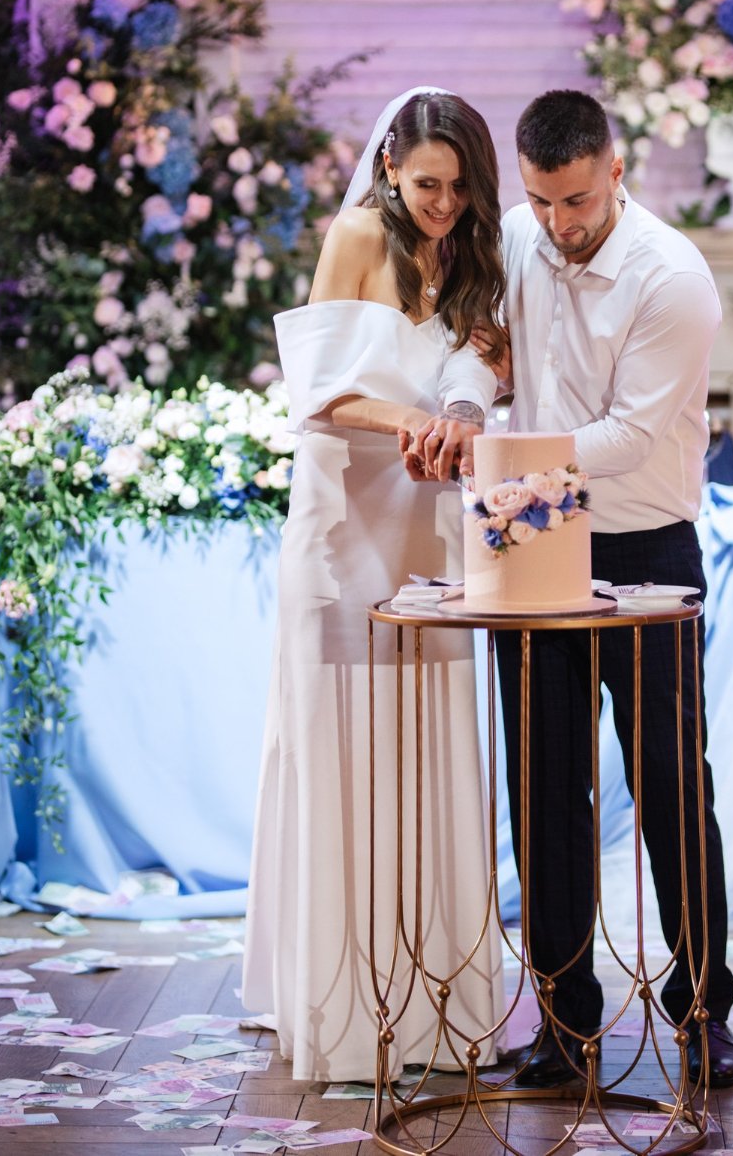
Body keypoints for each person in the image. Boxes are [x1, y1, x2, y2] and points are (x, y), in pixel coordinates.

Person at [242, 88, 508, 1082]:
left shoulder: (475, 251)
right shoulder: (358, 233)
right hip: (344, 524)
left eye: (459, 188)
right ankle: (345, 1010)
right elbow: (315, 393)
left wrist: (461, 413)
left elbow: (486, 365)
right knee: (344, 741)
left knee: (426, 740)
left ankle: (438, 1001)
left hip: (428, 522)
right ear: (392, 168)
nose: (442, 205)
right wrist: (411, 425)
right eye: (427, 185)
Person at [495, 89, 733, 1090]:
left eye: (577, 202)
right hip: (537, 535)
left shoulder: (671, 275)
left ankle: (700, 1010)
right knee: (542, 789)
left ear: (615, 169)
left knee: (670, 787)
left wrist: (496, 465)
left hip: (645, 543)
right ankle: (563, 1023)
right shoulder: (516, 235)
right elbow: (483, 352)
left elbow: (632, 437)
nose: (558, 224)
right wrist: (483, 432)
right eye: (542, 201)